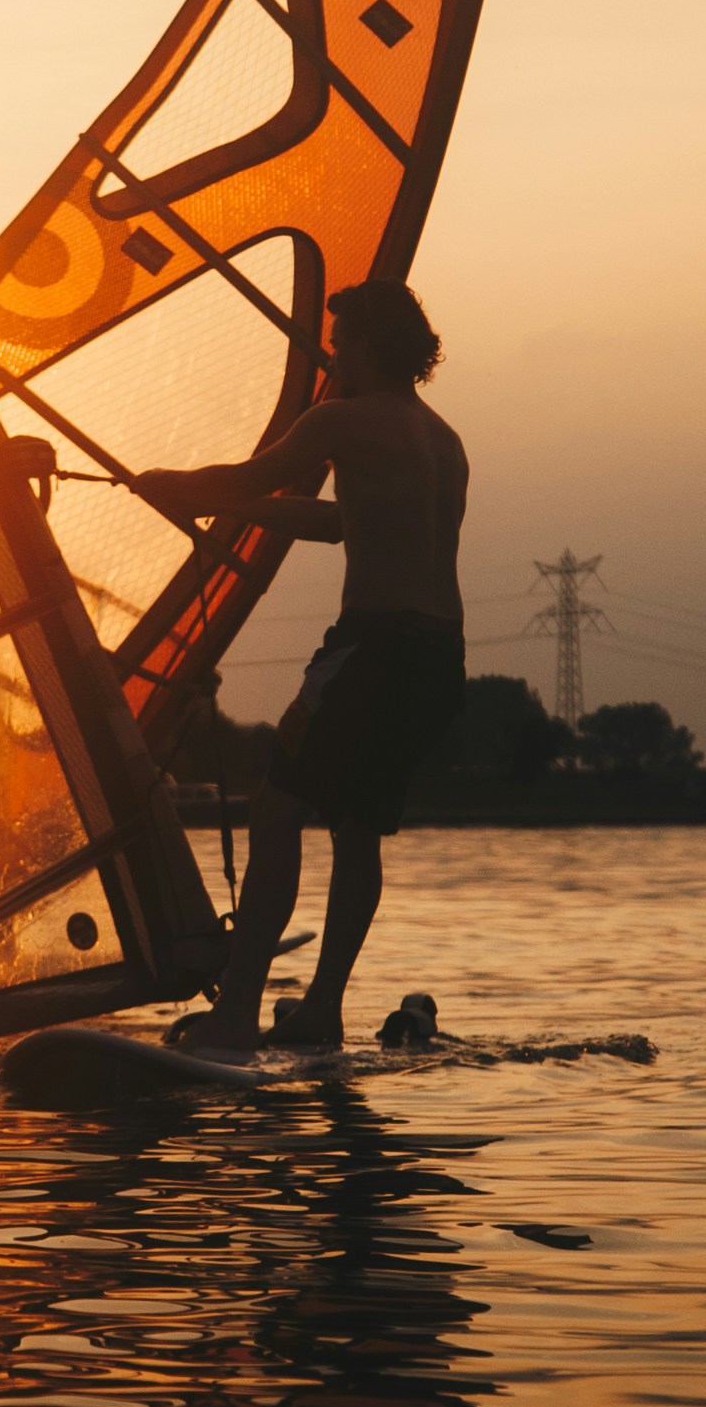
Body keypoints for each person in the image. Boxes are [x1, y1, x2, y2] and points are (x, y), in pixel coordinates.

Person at [130, 277, 467, 1054]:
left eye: (341, 342)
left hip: (371, 651)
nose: (332, 357)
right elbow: (336, 523)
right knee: (356, 828)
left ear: (370, 346)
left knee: (277, 806)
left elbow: (251, 474)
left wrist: (171, 488)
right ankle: (321, 1007)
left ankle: (235, 1013)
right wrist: (231, 510)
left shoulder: (341, 421)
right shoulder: (441, 440)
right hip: (434, 658)